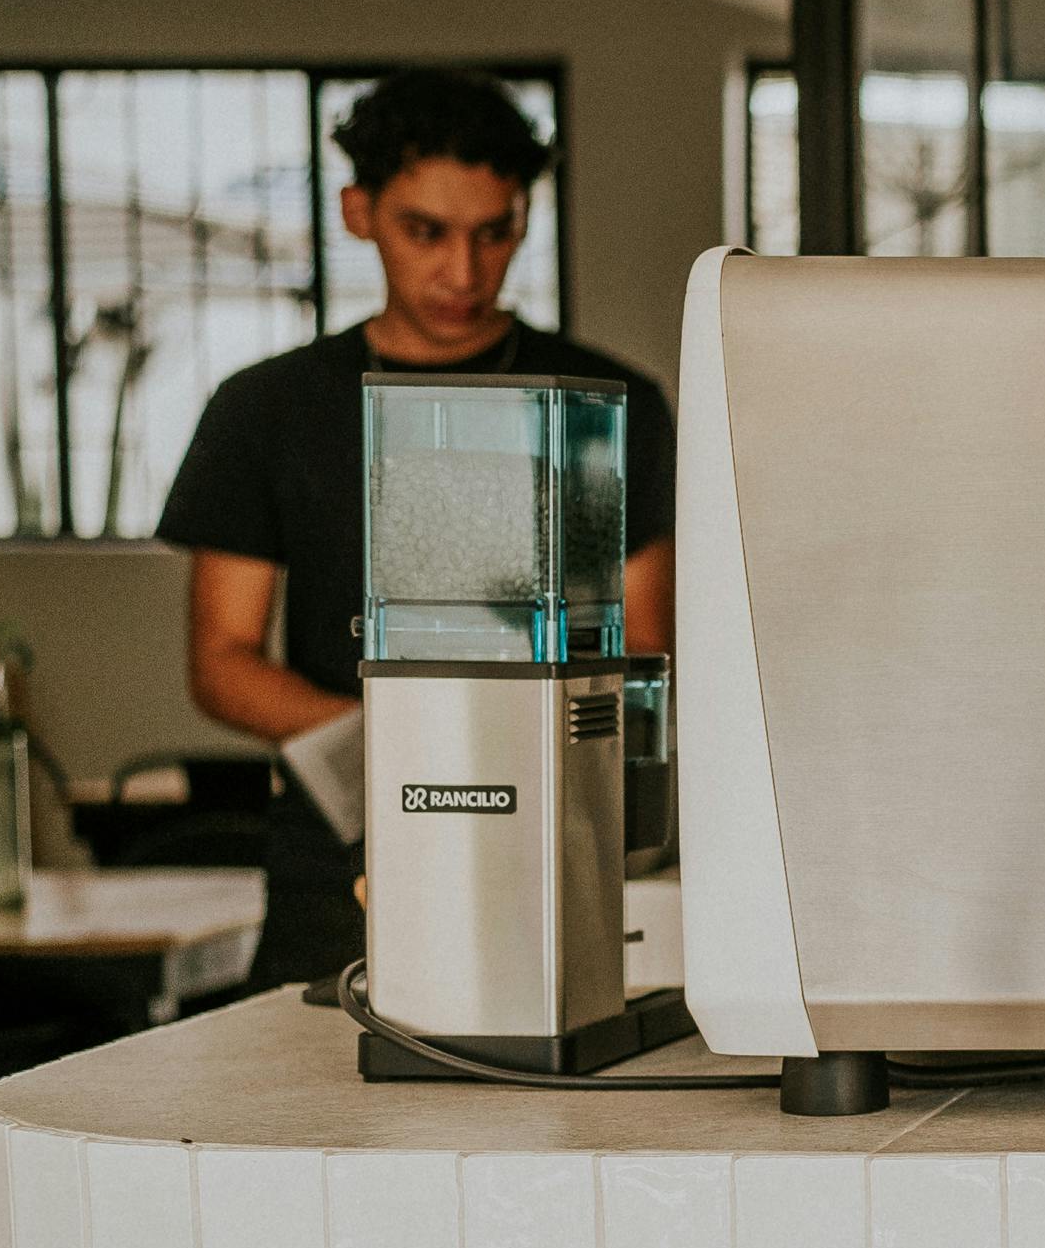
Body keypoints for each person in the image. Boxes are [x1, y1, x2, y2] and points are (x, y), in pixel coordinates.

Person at [156, 71, 674, 986]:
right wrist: (410, 751)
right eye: (425, 232)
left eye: (494, 233)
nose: (462, 272)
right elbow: (224, 661)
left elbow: (642, 641)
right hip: (343, 858)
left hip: (556, 831)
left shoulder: (606, 405)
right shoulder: (267, 409)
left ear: (523, 220)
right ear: (360, 213)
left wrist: (505, 763)